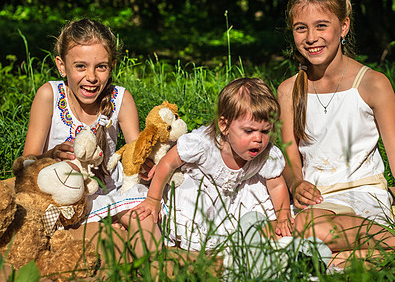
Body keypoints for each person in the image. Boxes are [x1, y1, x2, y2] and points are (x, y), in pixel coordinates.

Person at [277, 0, 395, 258]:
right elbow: (289, 151)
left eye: (321, 26)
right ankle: (393, 240)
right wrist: (295, 183)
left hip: (363, 194)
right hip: (316, 201)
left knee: (308, 229)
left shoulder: (372, 85)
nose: (311, 37)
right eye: (300, 28)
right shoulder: (288, 90)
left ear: (343, 27)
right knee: (283, 229)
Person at [22, 18, 159, 255]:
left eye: (101, 66)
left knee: (143, 217)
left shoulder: (120, 99)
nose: (92, 77)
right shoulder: (49, 96)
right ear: (62, 66)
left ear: (112, 65)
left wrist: (145, 165)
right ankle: (105, 230)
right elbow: (27, 162)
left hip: (110, 191)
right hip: (63, 197)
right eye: (80, 66)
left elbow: (136, 154)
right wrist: (52, 155)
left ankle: (156, 266)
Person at [132, 77, 293, 251]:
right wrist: (153, 199)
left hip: (237, 194)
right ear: (224, 126)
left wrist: (283, 214)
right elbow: (167, 163)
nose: (258, 139)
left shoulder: (266, 153)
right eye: (249, 131)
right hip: (202, 191)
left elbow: (276, 185)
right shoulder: (204, 144)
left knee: (256, 217)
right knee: (191, 225)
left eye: (265, 131)